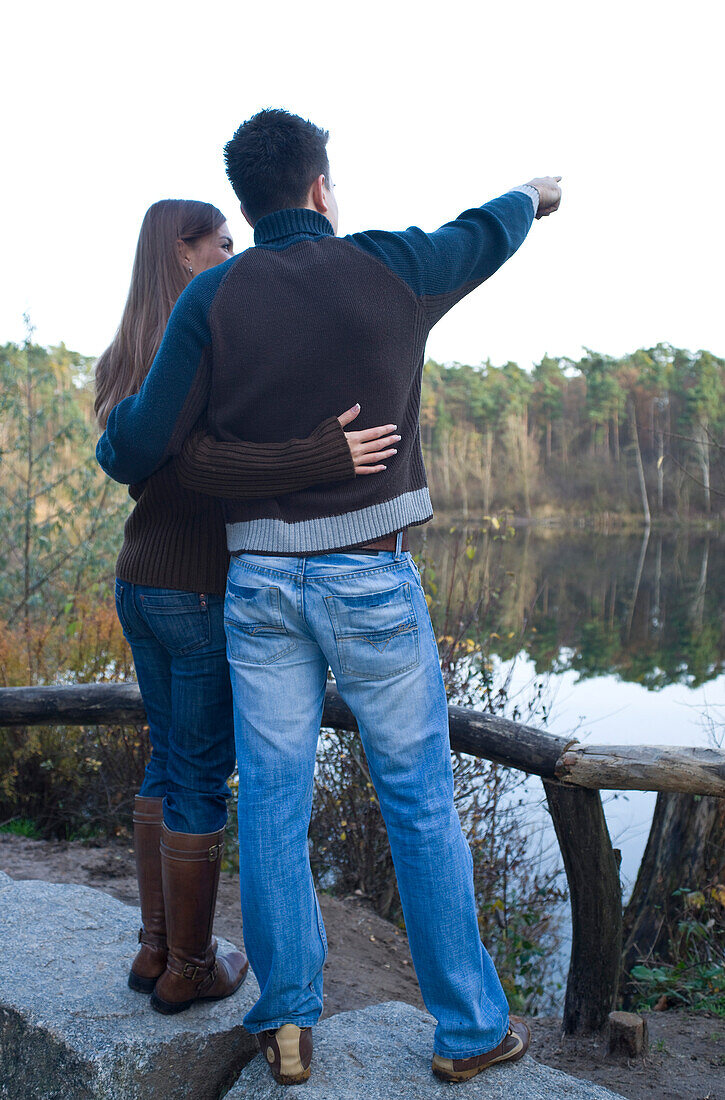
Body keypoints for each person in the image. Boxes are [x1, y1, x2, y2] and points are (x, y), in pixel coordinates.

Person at [97, 111, 561, 1083]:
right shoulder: (386, 266)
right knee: (420, 802)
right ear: (317, 188)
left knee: (270, 800)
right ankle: (471, 1027)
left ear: (250, 200)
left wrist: (114, 432)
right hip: (370, 577)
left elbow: (137, 444)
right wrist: (531, 198)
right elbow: (481, 233)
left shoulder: (213, 295)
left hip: (259, 581)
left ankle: (289, 1019)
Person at [95, 197, 400, 1015]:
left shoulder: (127, 352)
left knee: (165, 760)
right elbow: (199, 464)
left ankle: (155, 947)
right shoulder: (200, 349)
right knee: (198, 774)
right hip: (195, 585)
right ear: (181, 254)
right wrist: (319, 454)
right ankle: (191, 967)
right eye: (221, 245)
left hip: (139, 579)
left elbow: (130, 453)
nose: (236, 258)